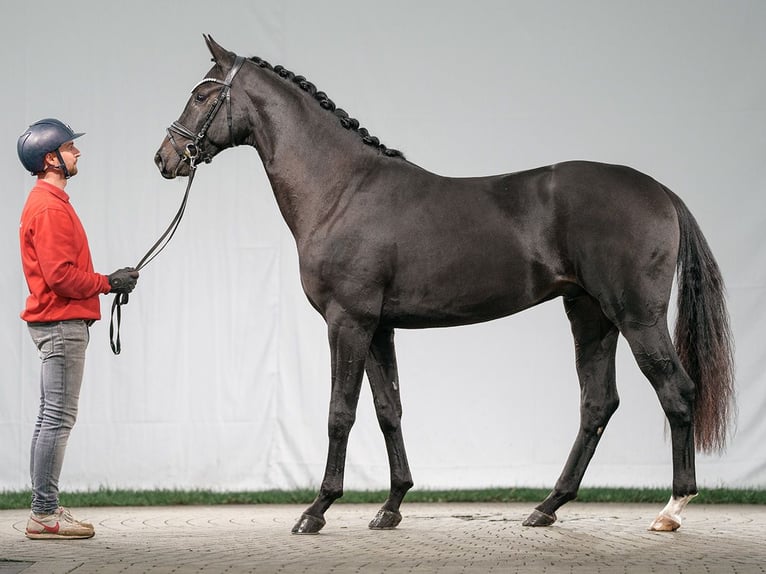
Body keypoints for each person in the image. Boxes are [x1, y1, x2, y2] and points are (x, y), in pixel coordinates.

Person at [17, 118, 139, 539]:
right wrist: (108, 283)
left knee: (50, 418)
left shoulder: (50, 201)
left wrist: (107, 282)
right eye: (70, 148)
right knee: (57, 418)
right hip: (61, 322)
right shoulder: (49, 207)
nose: (78, 153)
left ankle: (44, 509)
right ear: (51, 159)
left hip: (58, 321)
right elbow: (60, 276)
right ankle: (45, 514)